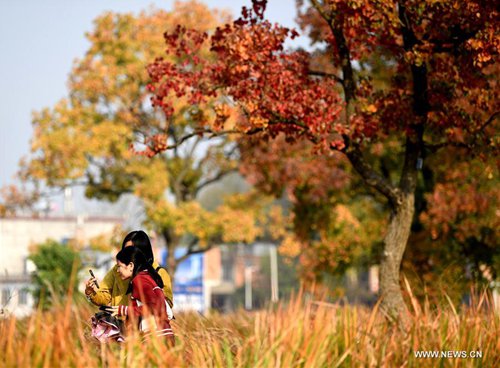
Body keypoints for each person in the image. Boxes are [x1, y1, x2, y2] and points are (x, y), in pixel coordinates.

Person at [85, 230, 174, 309]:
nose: (127, 254)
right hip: (120, 325)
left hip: (147, 326)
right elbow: (103, 297)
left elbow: (167, 304)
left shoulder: (159, 272)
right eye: (125, 250)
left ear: (142, 252)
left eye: (131, 250)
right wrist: (91, 293)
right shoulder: (117, 270)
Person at [105, 246, 174, 343]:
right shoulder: (146, 277)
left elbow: (155, 306)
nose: (117, 270)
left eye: (119, 266)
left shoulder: (139, 280)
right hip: (163, 337)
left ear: (131, 265)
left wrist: (125, 310)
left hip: (157, 339)